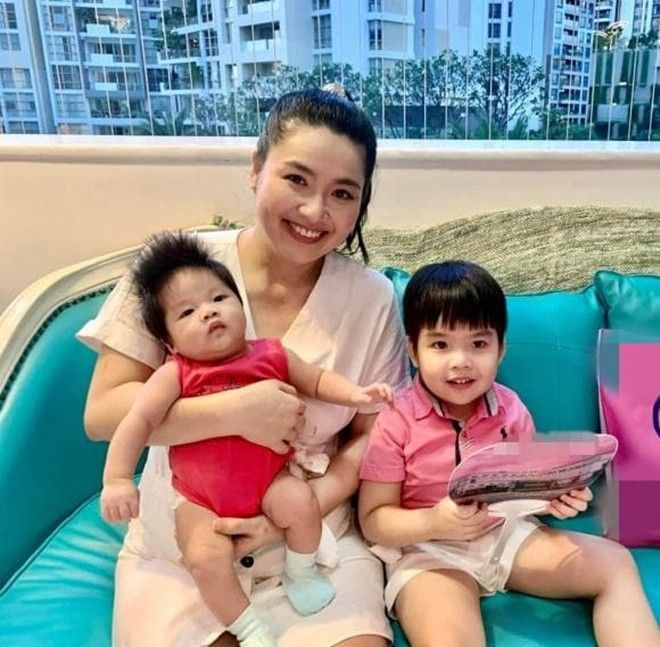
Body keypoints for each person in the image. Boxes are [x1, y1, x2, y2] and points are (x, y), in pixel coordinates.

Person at [78, 85, 409, 647]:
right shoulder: (179, 268)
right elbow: (103, 413)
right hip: (185, 547)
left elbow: (370, 438)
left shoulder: (371, 297)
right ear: (257, 169)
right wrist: (235, 411)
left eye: (342, 193)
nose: (315, 211)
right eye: (297, 179)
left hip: (311, 542)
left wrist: (302, 510)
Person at [100, 231, 394, 646]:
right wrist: (117, 479)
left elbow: (317, 380)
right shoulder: (176, 374)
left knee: (300, 502)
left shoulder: (271, 353)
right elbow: (135, 420)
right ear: (168, 342)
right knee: (204, 556)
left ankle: (301, 571)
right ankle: (248, 627)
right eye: (188, 313)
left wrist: (357, 395)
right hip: (199, 500)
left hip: (271, 482)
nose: (208, 312)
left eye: (219, 299)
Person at [358, 261, 659, 647]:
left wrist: (555, 499)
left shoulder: (511, 409)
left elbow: (525, 492)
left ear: (501, 349)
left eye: (478, 344)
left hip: (507, 537)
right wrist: (433, 522)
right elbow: (373, 520)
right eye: (440, 345)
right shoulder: (394, 420)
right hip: (428, 551)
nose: (461, 361)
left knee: (614, 563)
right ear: (413, 351)